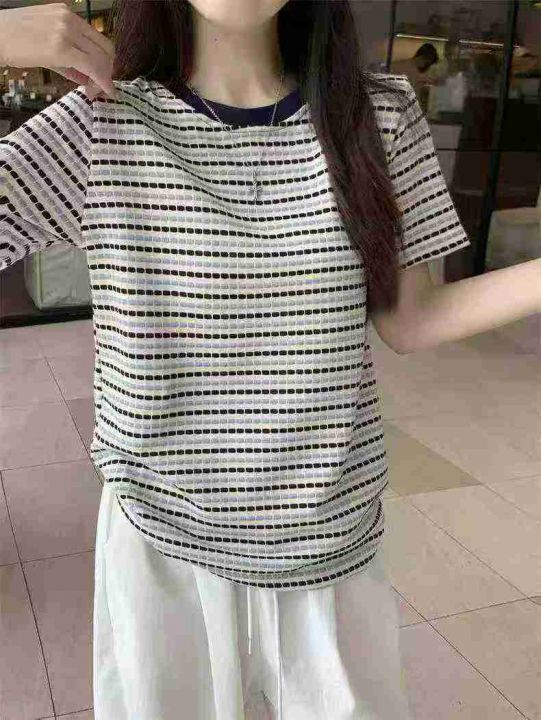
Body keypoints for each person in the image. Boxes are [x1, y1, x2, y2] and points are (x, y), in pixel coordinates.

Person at [1, 2, 540, 719]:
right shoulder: (104, 122)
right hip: (163, 537)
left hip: (329, 534)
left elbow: (410, 319)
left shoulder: (377, 115)